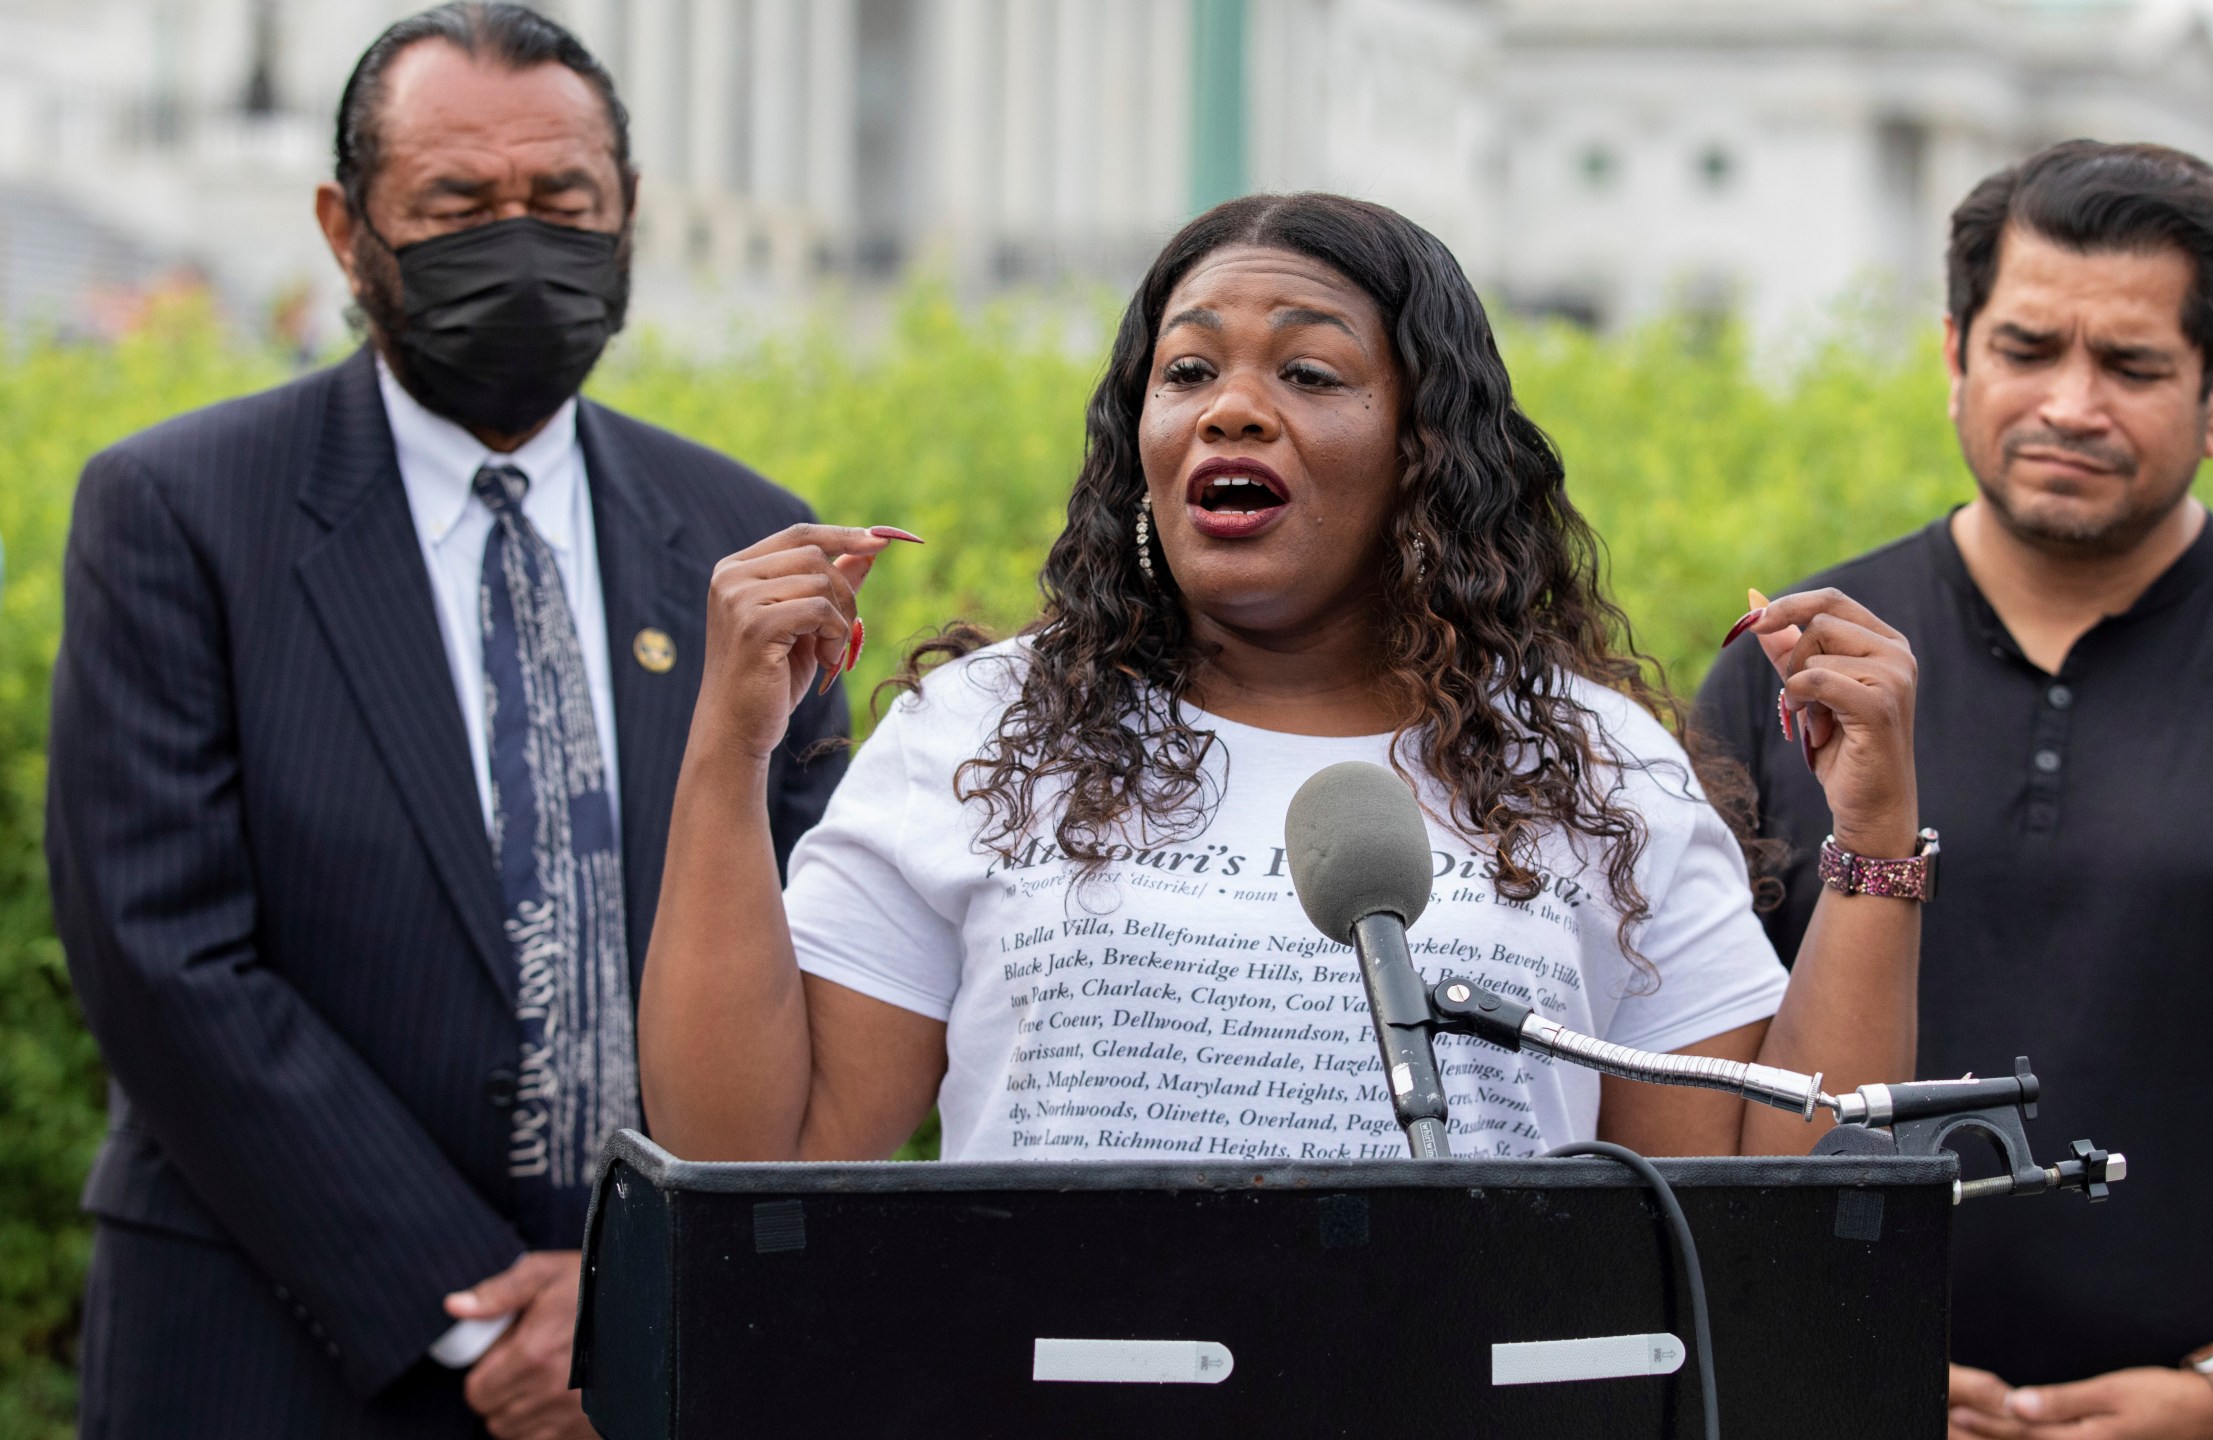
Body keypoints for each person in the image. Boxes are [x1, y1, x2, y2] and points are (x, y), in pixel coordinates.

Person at [638, 192, 1931, 1173]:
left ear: (1425, 450)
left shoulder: (1587, 767)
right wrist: (727, 754)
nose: (1231, 410)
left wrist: (1872, 841)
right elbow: (763, 1155)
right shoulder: (983, 737)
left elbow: (1749, 1202)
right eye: (1190, 371)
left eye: (1307, 374)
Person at [45, 6, 846, 1437]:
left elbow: (812, 945)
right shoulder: (178, 512)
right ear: (346, 232)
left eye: (564, 203)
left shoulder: (744, 537)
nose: (520, 243)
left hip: (645, 1364)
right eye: (458, 207)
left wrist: (632, 1290)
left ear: (630, 214)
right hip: (267, 1341)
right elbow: (163, 955)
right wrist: (473, 1300)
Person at [1698, 141, 2213, 1440]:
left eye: (2131, 367)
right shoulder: (1802, 672)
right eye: (2027, 349)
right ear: (1957, 355)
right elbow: (1698, 1093)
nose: (2070, 402)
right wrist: (1825, 1353)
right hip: (1838, 1407)